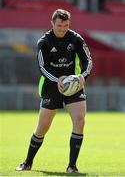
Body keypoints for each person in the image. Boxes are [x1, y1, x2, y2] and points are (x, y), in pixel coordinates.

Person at [16, 9, 93, 173]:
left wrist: (82, 76)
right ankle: (27, 162)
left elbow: (88, 60)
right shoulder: (43, 42)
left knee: (80, 120)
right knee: (43, 127)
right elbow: (42, 67)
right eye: (59, 25)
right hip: (51, 85)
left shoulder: (76, 39)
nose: (62, 29)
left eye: (66, 25)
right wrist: (57, 79)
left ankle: (72, 166)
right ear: (52, 23)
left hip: (73, 84)